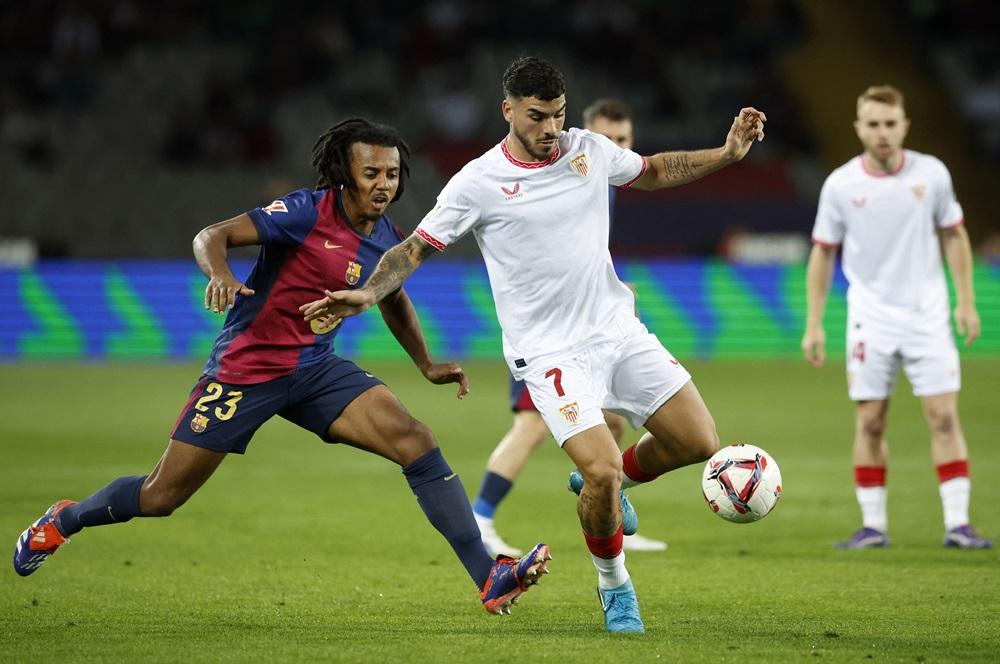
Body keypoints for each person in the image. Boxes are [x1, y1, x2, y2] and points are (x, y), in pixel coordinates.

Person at [12, 117, 551, 615]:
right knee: (160, 496)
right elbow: (211, 236)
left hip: (315, 370)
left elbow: (393, 299)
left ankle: (488, 576)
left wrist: (426, 363)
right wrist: (220, 273)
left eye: (391, 174)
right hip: (245, 372)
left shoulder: (386, 235)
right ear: (345, 174)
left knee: (415, 440)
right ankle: (64, 519)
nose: (384, 184)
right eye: (371, 173)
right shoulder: (303, 212)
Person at [301, 57, 766, 633]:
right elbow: (413, 249)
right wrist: (368, 293)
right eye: (537, 116)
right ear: (508, 110)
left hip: (617, 330)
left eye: (558, 115)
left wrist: (726, 154)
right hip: (550, 355)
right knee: (600, 474)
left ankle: (613, 483)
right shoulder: (478, 181)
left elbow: (652, 170)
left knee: (698, 441)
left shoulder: (588, 150)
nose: (551, 128)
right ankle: (615, 585)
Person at [472, 98, 667, 558]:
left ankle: (609, 503)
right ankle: (480, 518)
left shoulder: (605, 185)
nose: (615, 146)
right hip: (545, 335)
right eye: (607, 138)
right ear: (586, 135)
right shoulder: (562, 173)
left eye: (623, 140)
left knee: (613, 419)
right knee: (530, 427)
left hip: (589, 331)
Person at [802, 85, 992, 550]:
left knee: (943, 417)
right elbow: (823, 252)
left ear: (904, 126)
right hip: (870, 319)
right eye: (873, 124)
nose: (882, 133)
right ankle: (873, 526)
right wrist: (814, 323)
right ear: (859, 128)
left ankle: (958, 524)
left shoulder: (933, 174)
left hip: (928, 315)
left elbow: (955, 235)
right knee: (871, 421)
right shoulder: (841, 185)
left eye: (890, 124)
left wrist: (965, 301)